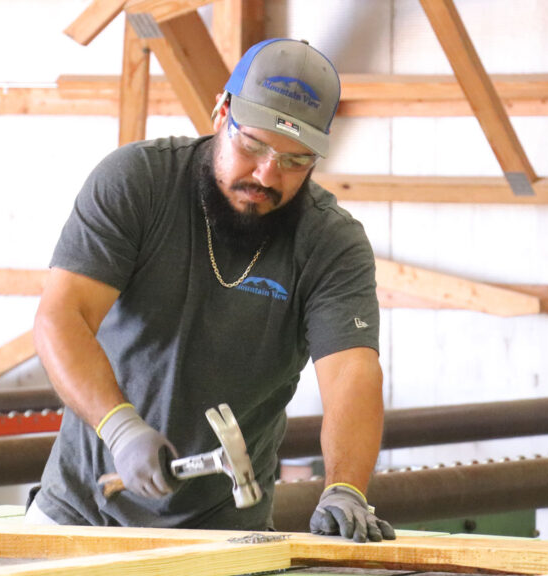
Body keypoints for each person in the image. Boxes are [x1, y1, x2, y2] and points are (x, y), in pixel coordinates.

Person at [28, 38, 395, 543]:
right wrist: (120, 429)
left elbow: (352, 370)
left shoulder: (331, 242)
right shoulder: (139, 182)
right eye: (255, 145)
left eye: (296, 160)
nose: (268, 174)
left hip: (223, 535)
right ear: (221, 111)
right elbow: (62, 317)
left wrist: (346, 488)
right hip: (78, 512)